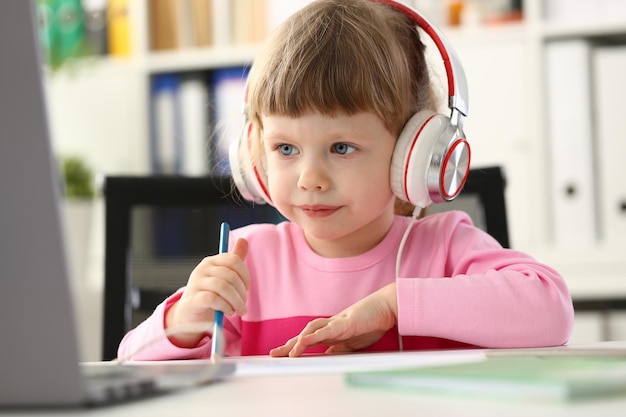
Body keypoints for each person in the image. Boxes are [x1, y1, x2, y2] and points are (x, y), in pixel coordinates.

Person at [117, 0, 574, 360]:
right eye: (286, 149)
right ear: (255, 151)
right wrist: (184, 319)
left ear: (409, 154)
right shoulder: (248, 261)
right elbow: (127, 359)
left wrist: (396, 304)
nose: (310, 178)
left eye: (341, 148)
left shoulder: (445, 248)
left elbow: (551, 309)